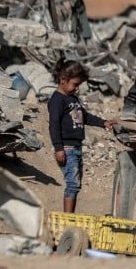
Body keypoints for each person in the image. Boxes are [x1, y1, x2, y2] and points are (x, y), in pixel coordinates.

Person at [48, 59, 109, 213]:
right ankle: (68, 219)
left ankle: (70, 217)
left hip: (76, 148)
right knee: (72, 184)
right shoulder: (56, 101)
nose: (77, 88)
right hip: (67, 149)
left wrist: (104, 123)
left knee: (76, 184)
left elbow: (85, 117)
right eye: (75, 84)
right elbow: (53, 125)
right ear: (63, 80)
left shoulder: (73, 99)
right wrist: (58, 148)